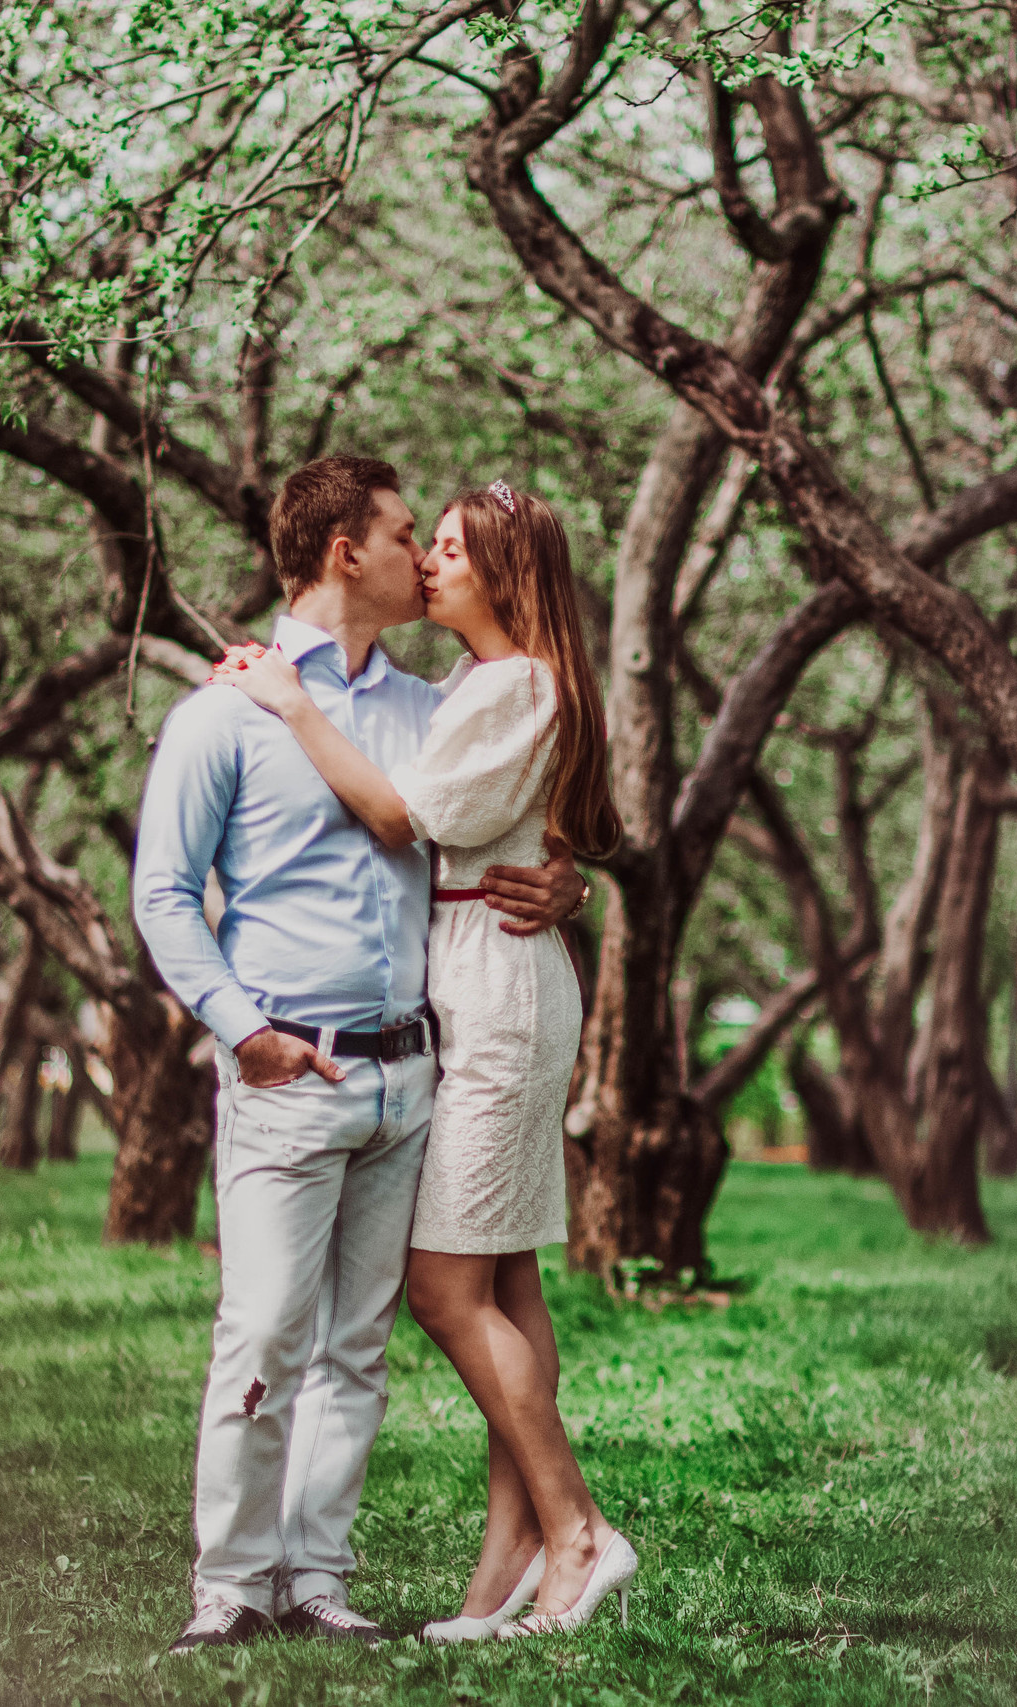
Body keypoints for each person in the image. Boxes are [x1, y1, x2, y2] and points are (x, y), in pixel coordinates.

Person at [131, 457, 588, 1653]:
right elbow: (164, 895)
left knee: (354, 1346)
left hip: (413, 1070)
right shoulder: (225, 712)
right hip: (291, 1069)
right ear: (346, 553)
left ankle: (315, 1580)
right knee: (263, 1333)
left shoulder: (431, 707)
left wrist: (565, 879)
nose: (421, 555)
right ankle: (232, 1586)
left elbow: (499, 815)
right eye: (402, 535)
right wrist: (245, 1032)